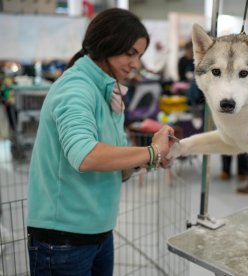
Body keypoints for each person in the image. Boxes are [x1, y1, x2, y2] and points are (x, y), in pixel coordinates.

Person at [26, 8, 175, 275]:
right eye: (130, 53)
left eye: (139, 55)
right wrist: (150, 152)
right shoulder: (77, 88)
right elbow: (86, 156)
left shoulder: (109, 91)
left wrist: (151, 157)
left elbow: (117, 169)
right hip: (63, 239)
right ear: (107, 44)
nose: (135, 63)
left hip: (98, 233)